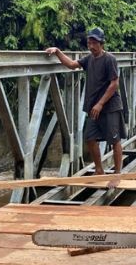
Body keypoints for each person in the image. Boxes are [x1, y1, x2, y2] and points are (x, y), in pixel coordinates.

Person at [45, 27, 125, 177]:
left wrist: (100, 103)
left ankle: (118, 174)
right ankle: (99, 169)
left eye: (94, 43)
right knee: (90, 138)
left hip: (109, 106)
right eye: (89, 43)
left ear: (101, 43)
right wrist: (57, 51)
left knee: (115, 140)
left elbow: (114, 84)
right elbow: (71, 65)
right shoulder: (89, 59)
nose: (91, 46)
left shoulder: (110, 59)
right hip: (94, 107)